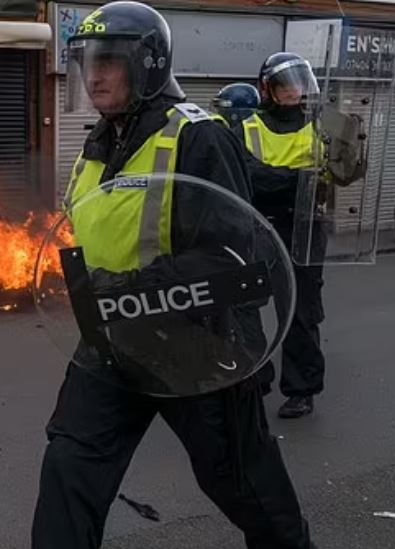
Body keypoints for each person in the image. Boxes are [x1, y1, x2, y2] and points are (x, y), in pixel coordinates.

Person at [32, 3, 313, 549]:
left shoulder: (198, 138)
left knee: (243, 487)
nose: (94, 74)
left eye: (109, 60)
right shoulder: (97, 143)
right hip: (114, 345)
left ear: (149, 63)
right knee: (69, 471)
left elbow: (231, 261)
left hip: (200, 348)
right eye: (88, 60)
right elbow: (92, 233)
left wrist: (123, 291)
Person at [238, 52, 325, 419]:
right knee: (245, 307)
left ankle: (301, 389)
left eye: (299, 84)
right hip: (259, 224)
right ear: (268, 89)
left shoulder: (321, 125)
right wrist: (298, 180)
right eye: (286, 85)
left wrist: (283, 182)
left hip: (304, 226)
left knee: (299, 312)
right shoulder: (246, 126)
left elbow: (332, 177)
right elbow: (250, 177)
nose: (295, 91)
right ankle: (255, 381)